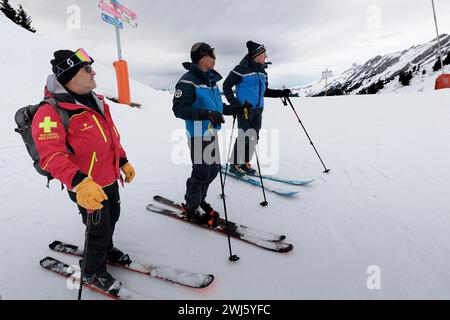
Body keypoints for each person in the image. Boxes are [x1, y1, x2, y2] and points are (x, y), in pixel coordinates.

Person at [31, 49, 136, 294]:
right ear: (69, 77)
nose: (93, 72)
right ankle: (92, 271)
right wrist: (80, 182)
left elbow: (111, 137)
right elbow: (51, 156)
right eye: (86, 70)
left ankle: (107, 250)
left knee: (113, 216)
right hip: (85, 184)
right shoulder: (50, 111)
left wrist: (123, 161)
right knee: (98, 227)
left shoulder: (95, 100)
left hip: (109, 177)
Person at [172, 42, 246, 228]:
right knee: (201, 172)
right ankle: (192, 207)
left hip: (211, 133)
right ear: (202, 58)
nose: (214, 58)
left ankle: (200, 200)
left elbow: (218, 108)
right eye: (212, 55)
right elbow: (179, 109)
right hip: (198, 135)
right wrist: (204, 114)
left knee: (213, 170)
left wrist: (236, 108)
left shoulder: (210, 80)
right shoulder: (187, 81)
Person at [223, 41, 291, 176]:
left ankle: (245, 162)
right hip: (245, 109)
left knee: (254, 137)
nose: (266, 56)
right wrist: (236, 105)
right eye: (264, 53)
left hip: (258, 109)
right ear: (257, 55)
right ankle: (234, 164)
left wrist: (280, 93)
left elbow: (265, 91)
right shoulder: (241, 69)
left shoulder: (263, 72)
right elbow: (226, 86)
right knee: (244, 136)